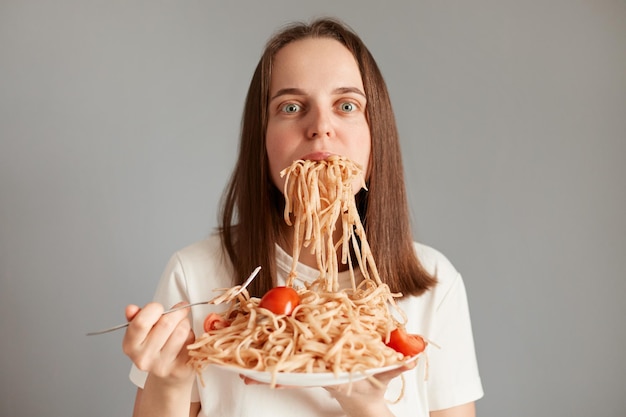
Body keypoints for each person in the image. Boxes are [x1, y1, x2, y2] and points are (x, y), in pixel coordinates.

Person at [122, 17, 483, 417]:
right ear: (261, 137)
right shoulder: (194, 276)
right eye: (291, 107)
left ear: (375, 131)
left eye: (346, 105)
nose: (320, 128)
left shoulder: (435, 285)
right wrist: (169, 380)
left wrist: (366, 405)